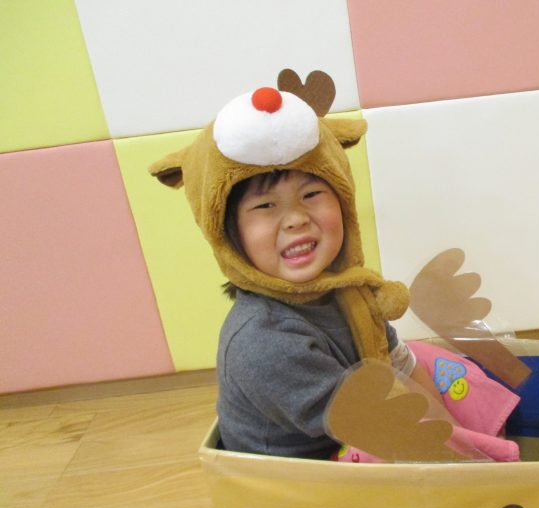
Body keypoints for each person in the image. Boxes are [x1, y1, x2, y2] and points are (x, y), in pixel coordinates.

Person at [149, 71, 439, 458]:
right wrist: (461, 463)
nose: (296, 219)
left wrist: (458, 429)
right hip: (304, 471)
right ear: (229, 236)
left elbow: (401, 365)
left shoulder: (348, 291)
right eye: (266, 206)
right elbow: (379, 427)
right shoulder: (264, 342)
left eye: (312, 194)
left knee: (443, 368)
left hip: (354, 427)